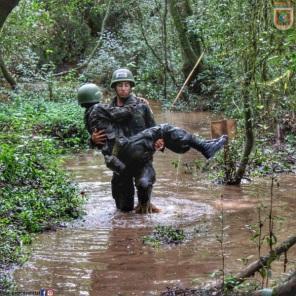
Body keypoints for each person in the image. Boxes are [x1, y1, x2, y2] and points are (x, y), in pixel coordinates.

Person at [79, 80, 228, 214]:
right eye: (120, 85)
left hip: (137, 156)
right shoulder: (107, 108)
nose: (123, 88)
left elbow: (154, 131)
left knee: (144, 183)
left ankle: (203, 146)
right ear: (114, 88)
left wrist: (160, 143)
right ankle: (203, 146)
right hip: (122, 158)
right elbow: (103, 134)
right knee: (124, 209)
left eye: (126, 85)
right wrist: (92, 140)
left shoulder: (141, 106)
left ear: (131, 87)